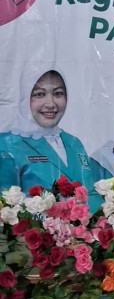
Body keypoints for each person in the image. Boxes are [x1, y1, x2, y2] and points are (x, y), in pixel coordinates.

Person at [0, 67, 101, 211]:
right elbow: (5, 211)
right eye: (39, 94)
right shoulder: (6, 144)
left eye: (58, 93)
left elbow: (91, 194)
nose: (50, 104)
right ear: (24, 97)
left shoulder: (73, 142)